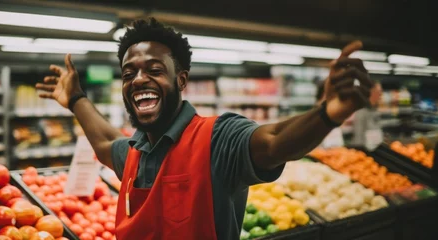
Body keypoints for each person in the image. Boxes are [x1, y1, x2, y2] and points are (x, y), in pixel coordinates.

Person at [35, 18, 373, 240]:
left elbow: (273, 142)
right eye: (128, 73)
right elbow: (107, 142)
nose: (138, 79)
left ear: (180, 80)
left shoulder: (217, 139)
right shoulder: (135, 153)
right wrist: (77, 98)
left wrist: (325, 114)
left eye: (154, 69)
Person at [350, 82, 383, 149]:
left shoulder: (375, 110)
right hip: (365, 152)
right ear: (371, 92)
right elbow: (358, 137)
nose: (381, 94)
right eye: (378, 91)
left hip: (376, 151)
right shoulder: (361, 111)